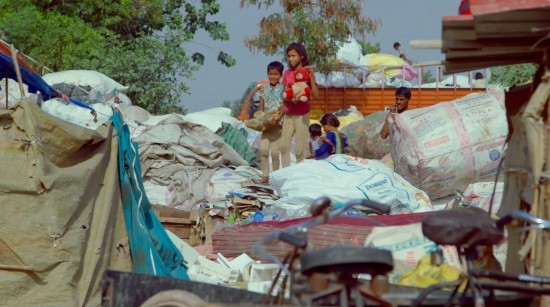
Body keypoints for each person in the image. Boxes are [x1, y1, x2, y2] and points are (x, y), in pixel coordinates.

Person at [280, 42, 319, 167]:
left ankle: (299, 177)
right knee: (284, 146)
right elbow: (285, 93)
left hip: (302, 115)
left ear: (301, 56)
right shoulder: (287, 74)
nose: (291, 59)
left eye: (293, 56)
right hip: (288, 115)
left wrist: (312, 77)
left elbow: (315, 95)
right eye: (289, 56)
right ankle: (285, 174)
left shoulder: (308, 72)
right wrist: (292, 100)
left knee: (299, 150)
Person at [257, 61, 285, 183]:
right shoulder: (263, 89)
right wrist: (261, 120)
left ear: (280, 75)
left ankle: (275, 176)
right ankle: (265, 175)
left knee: (274, 153)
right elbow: (261, 108)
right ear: (267, 74)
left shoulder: (283, 89)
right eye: (270, 74)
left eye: (276, 74)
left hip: (278, 127)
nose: (273, 77)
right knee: (263, 150)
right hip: (266, 127)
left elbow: (284, 107)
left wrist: (278, 117)